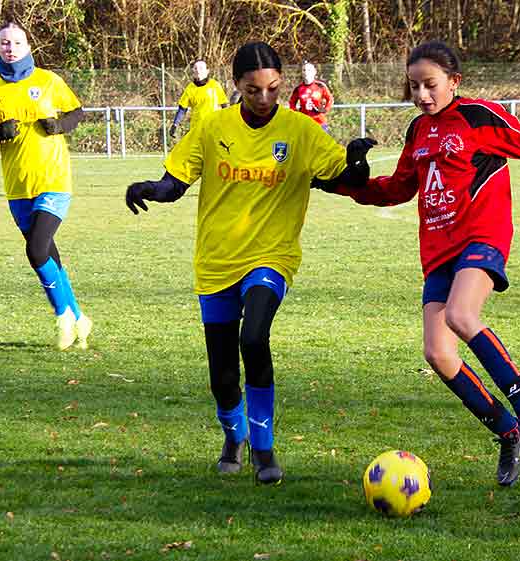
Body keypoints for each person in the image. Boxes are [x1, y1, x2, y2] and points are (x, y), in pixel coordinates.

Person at [318, 41, 520, 487]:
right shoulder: (417, 132)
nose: (423, 95)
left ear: (454, 81)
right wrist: (347, 183)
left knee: (463, 316)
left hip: (481, 236)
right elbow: (395, 189)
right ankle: (508, 433)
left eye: (430, 85)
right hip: (437, 251)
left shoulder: (480, 118)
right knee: (437, 352)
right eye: (414, 87)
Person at [125, 42, 374, 485]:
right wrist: (147, 187)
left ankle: (263, 447)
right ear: (237, 85)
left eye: (273, 89)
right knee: (221, 374)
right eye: (253, 89)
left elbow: (346, 179)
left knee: (255, 336)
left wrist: (356, 158)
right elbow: (174, 183)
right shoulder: (212, 127)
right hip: (217, 260)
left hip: (270, 256)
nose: (264, 99)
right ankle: (232, 437)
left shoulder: (300, 130)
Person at [0, 21, 92, 350]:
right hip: (17, 187)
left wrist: (58, 125)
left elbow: (78, 113)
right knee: (48, 253)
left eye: (17, 42)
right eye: (5, 43)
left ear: (28, 46)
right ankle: (79, 317)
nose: (11, 47)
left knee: (36, 249)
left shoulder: (49, 81)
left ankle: (62, 315)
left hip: (53, 180)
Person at [168, 60, 229, 138]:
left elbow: (225, 105)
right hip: (196, 128)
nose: (198, 70)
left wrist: (228, 122)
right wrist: (175, 125)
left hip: (214, 127)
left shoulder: (214, 85)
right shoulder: (190, 88)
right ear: (193, 71)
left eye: (201, 68)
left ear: (207, 71)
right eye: (195, 68)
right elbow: (182, 109)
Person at [288, 62, 334, 132]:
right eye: (304, 70)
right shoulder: (299, 88)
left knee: (322, 142)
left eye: (309, 70)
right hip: (304, 123)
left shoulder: (320, 86)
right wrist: (295, 113)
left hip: (320, 123)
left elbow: (330, 99)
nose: (306, 72)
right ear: (302, 73)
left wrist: (325, 109)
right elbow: (292, 102)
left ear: (314, 72)